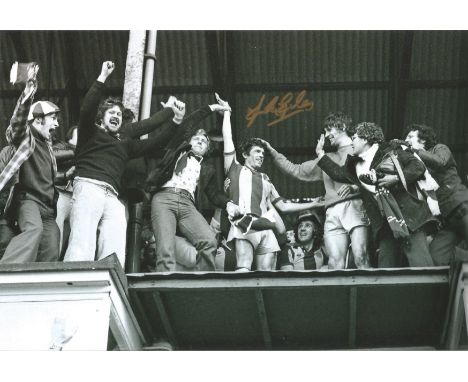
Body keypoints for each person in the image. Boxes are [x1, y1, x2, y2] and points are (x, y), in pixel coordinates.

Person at [64, 61, 184, 266]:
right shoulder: (89, 133)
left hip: (112, 195)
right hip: (88, 186)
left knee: (116, 240)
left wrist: (175, 119)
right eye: (111, 113)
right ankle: (72, 283)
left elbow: (154, 137)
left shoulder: (124, 143)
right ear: (100, 120)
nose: (116, 116)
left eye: (119, 114)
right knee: (82, 241)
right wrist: (102, 77)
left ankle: (110, 281)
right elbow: (87, 108)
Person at [218, 94, 323, 272]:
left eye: (262, 153)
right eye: (257, 152)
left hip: (265, 227)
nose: (261, 155)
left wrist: (315, 203)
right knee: (243, 265)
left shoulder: (266, 179)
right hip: (245, 223)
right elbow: (227, 139)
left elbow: (282, 206)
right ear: (245, 154)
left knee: (267, 275)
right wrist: (227, 113)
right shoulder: (234, 168)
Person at [316, 122, 436, 268]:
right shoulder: (354, 164)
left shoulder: (391, 149)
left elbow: (418, 167)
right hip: (384, 224)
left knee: (420, 264)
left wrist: (396, 178)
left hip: (408, 218)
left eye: (354, 138)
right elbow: (339, 174)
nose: (351, 142)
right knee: (385, 267)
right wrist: (321, 155)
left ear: (365, 139)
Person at [260, 112, 370, 269]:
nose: (326, 135)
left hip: (355, 205)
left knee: (361, 256)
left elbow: (373, 178)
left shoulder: (359, 150)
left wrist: (356, 187)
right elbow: (295, 170)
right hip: (331, 211)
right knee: (334, 262)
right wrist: (272, 151)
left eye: (329, 129)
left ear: (343, 127)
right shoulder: (325, 158)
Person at [145, 99, 236, 272]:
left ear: (207, 149)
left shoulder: (206, 169)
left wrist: (229, 203)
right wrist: (211, 107)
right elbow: (189, 123)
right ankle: (166, 286)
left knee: (209, 241)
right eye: (197, 138)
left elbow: (214, 195)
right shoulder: (176, 151)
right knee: (165, 246)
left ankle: (203, 282)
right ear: (189, 141)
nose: (201, 141)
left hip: (188, 204)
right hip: (165, 198)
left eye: (204, 141)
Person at [0, 67, 61, 264]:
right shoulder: (26, 138)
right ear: (38, 119)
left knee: (52, 243)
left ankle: (42, 287)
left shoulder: (49, 147)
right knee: (34, 229)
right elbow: (17, 123)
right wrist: (29, 91)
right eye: (53, 118)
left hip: (48, 209)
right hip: (29, 201)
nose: (57, 124)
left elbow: (45, 177)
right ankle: (6, 272)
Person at [405, 124, 468, 265]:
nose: (406, 140)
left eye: (410, 137)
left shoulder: (440, 148)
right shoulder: (415, 162)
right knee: (437, 258)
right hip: (447, 217)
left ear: (423, 140)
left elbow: (441, 162)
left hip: (460, 204)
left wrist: (415, 151)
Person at [52, 126, 77, 258]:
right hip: (61, 194)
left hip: (76, 197)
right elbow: (52, 156)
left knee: (71, 238)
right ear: (69, 138)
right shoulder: (60, 147)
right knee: (58, 236)